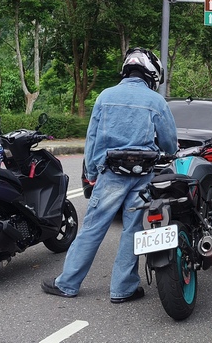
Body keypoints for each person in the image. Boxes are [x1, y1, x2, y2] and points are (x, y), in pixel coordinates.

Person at [42, 48, 178, 303]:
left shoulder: (105, 96)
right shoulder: (156, 101)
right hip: (143, 176)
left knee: (92, 228)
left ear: (126, 69)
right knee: (133, 229)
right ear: (151, 74)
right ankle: (123, 289)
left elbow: (92, 139)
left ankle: (68, 283)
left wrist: (92, 172)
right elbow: (170, 143)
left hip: (111, 175)